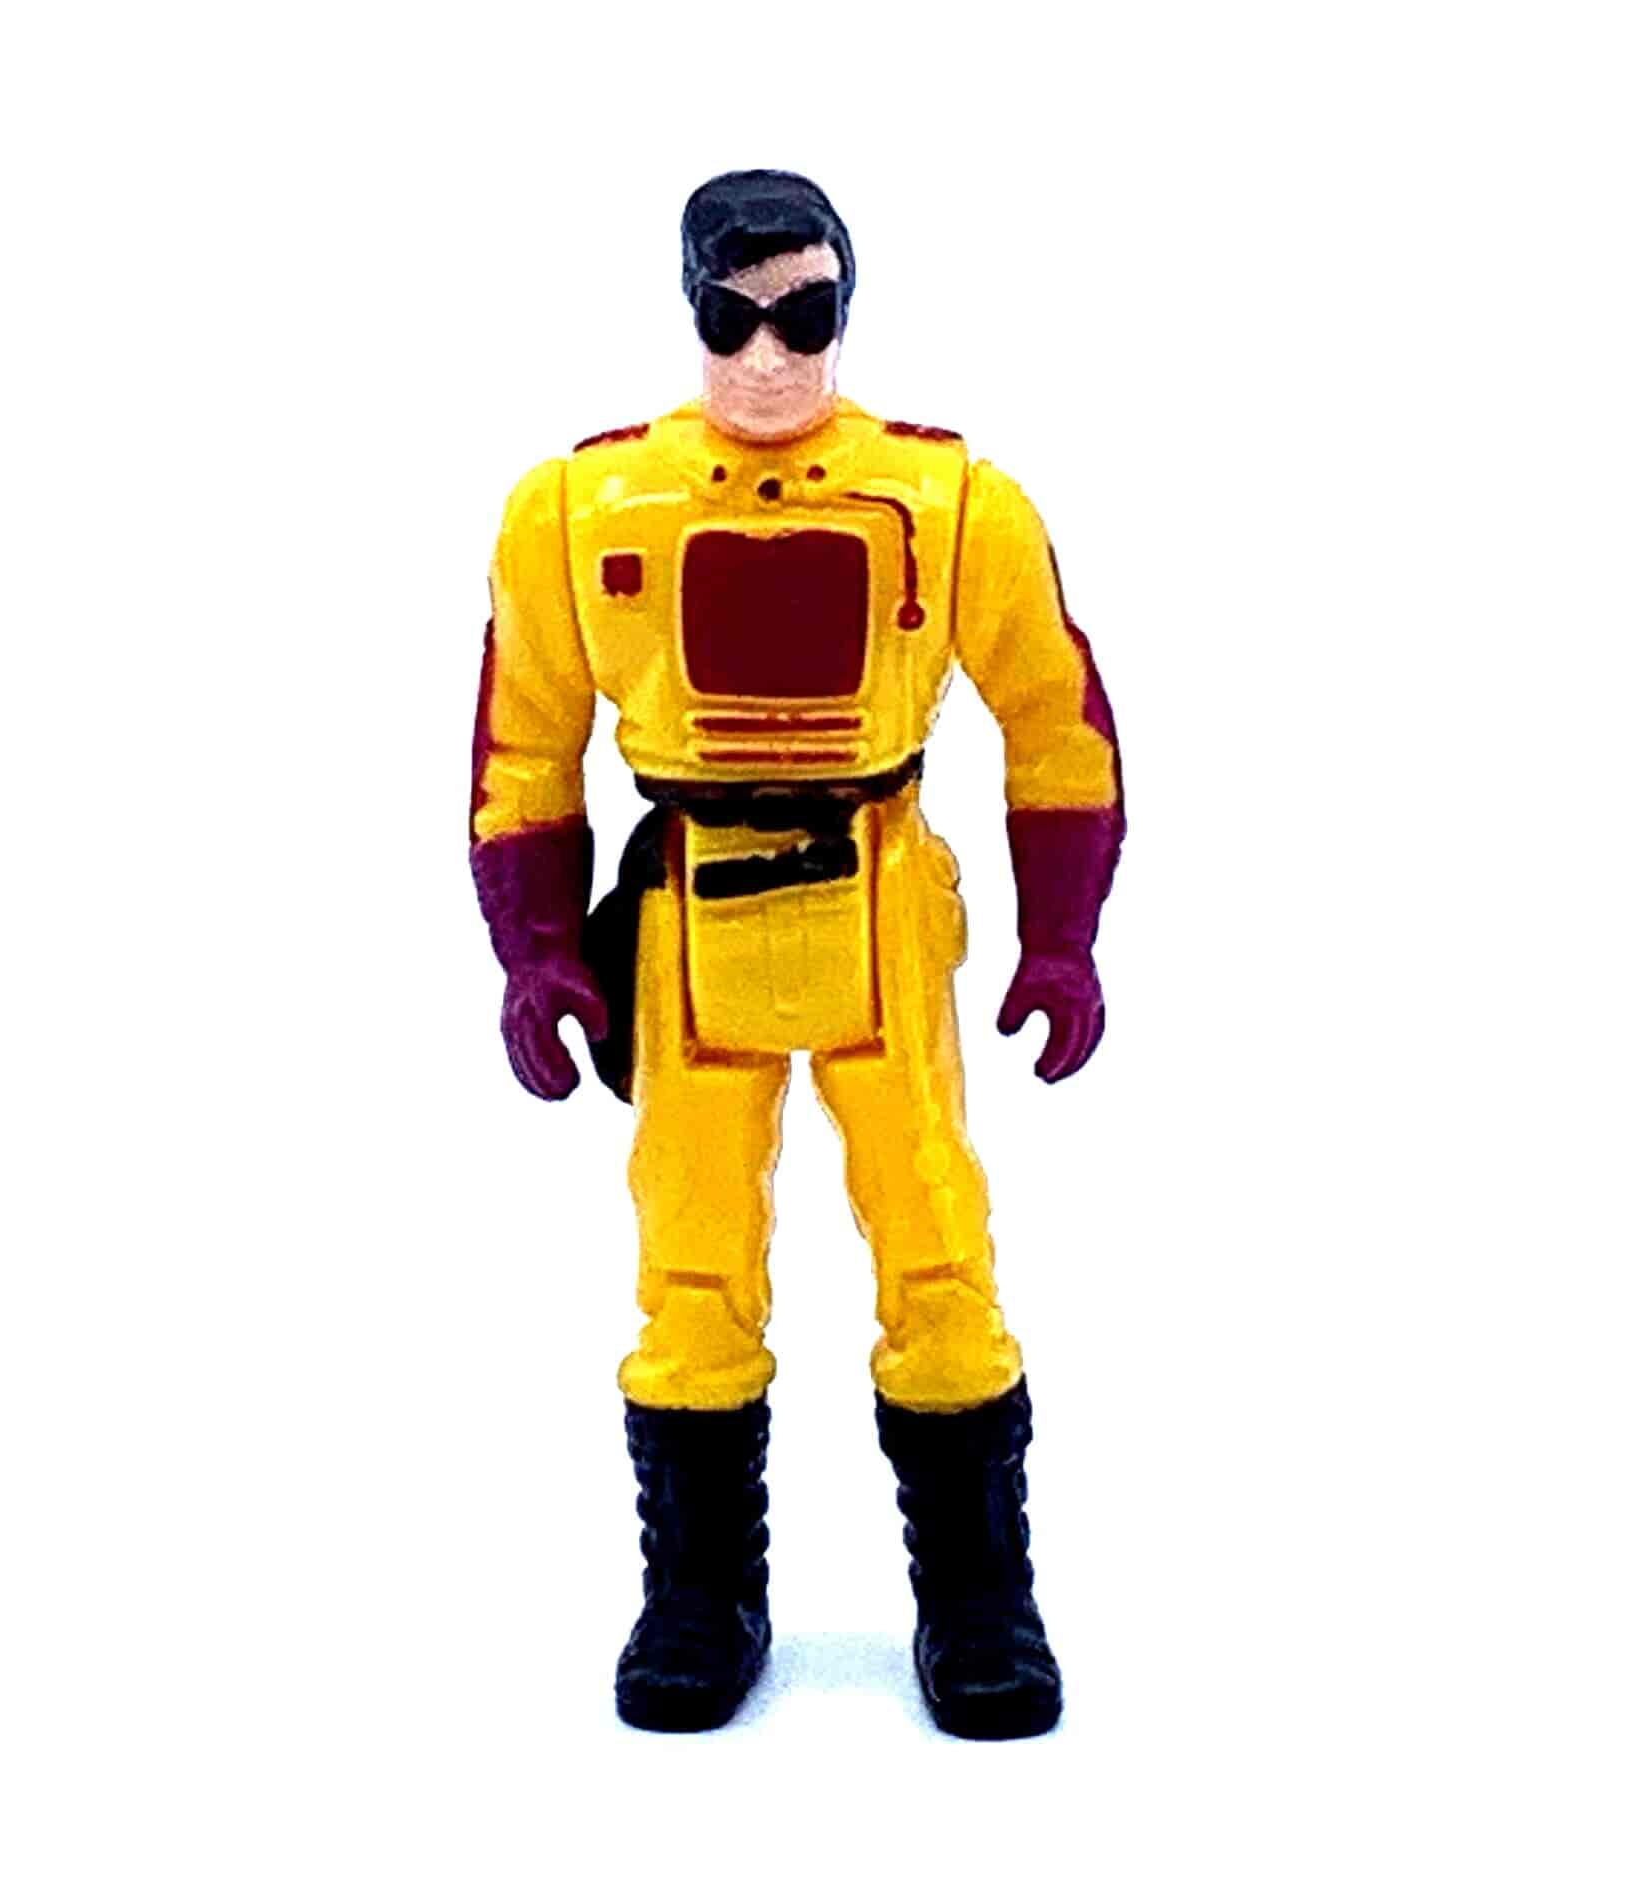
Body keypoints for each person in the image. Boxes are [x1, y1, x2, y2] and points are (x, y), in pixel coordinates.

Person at [470, 170, 1124, 1738]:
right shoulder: (576, 509)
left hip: (881, 911)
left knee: (939, 1248)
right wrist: (538, 950)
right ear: (688, 311)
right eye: (732, 317)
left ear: (848, 312)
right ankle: (700, 1594)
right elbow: (523, 747)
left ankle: (979, 1597)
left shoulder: (954, 504)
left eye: (805, 317)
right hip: (691, 925)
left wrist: (1063, 936)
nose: (769, 356)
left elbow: (1056, 722)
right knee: (689, 1268)